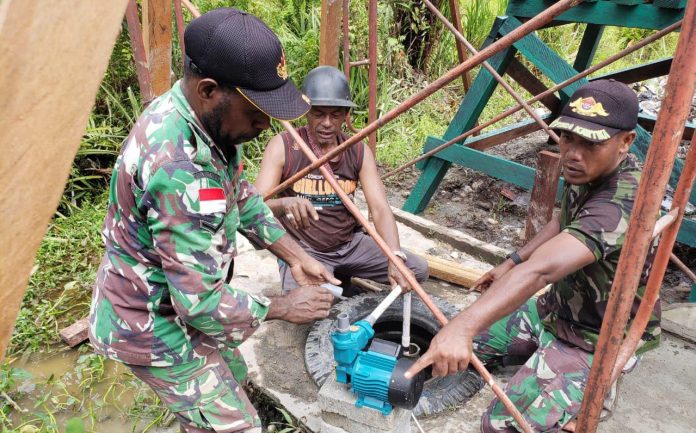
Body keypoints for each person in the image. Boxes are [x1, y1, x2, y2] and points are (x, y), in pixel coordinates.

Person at [89, 9, 342, 433]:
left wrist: (294, 254)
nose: (264, 126)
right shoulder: (178, 167)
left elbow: (239, 196)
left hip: (180, 306)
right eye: (257, 113)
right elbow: (200, 302)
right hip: (152, 323)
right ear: (209, 90)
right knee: (238, 425)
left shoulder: (207, 124)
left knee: (233, 379)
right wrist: (282, 306)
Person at [405, 80, 660, 433]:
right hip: (556, 310)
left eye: (590, 143)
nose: (573, 152)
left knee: (501, 425)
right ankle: (546, 361)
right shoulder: (593, 166)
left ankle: (593, 392)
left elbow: (541, 272)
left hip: (596, 337)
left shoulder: (622, 203)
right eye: (568, 137)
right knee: (457, 351)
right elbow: (563, 219)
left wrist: (462, 325)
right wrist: (512, 261)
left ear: (626, 141)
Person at [255, 66, 428, 295]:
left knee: (416, 269)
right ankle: (321, 276)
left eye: (335, 114)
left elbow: (379, 208)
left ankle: (342, 273)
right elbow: (254, 206)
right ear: (306, 111)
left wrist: (395, 256)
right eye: (318, 113)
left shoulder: (358, 150)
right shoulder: (285, 145)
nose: (327, 123)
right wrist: (284, 204)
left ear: (346, 115)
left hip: (350, 245)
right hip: (306, 249)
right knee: (310, 302)